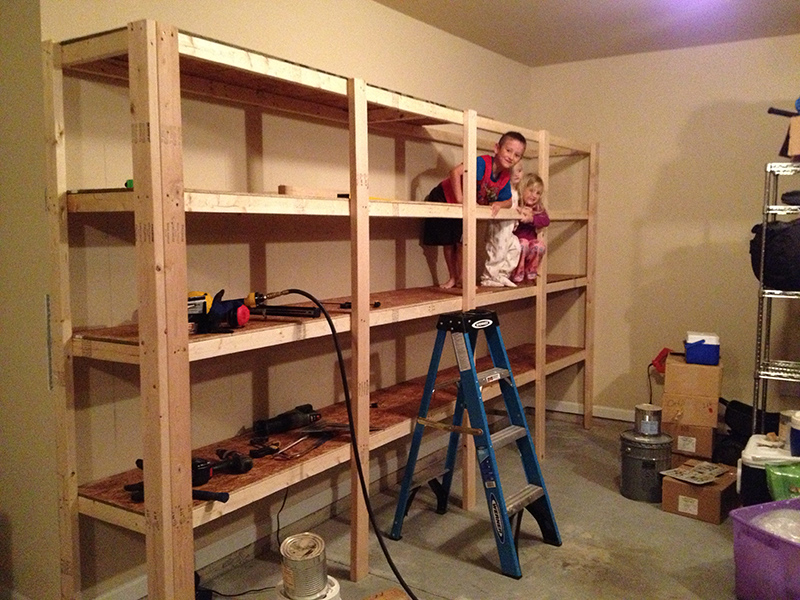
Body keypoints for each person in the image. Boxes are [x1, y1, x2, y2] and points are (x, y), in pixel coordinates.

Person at [422, 131, 527, 289]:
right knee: (449, 242)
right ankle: (453, 277)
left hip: (463, 206)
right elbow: (455, 172)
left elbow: (508, 200)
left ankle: (463, 279)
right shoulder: (483, 163)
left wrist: (499, 204)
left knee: (461, 242)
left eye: (517, 155)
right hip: (444, 196)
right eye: (508, 150)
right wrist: (460, 199)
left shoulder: (505, 175)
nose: (511, 157)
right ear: (497, 148)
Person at [480, 161, 523, 287]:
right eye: (512, 172)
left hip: (509, 228)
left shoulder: (516, 191)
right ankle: (488, 277)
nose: (517, 175)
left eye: (520, 171)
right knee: (497, 251)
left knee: (515, 247)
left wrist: (518, 212)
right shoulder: (503, 189)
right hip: (499, 227)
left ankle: (502, 274)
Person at [511, 173, 549, 283]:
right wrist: (519, 213)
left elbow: (546, 220)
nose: (534, 195)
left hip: (530, 244)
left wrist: (532, 218)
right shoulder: (516, 204)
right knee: (523, 244)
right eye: (531, 191)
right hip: (516, 242)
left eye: (538, 193)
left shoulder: (537, 208)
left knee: (539, 246)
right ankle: (517, 271)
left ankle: (531, 269)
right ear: (523, 189)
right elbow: (510, 214)